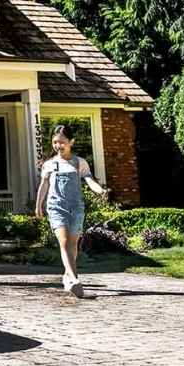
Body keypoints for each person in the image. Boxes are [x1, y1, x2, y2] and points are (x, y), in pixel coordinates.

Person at [35, 125, 108, 297]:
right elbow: (44, 185)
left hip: (76, 207)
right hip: (56, 207)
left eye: (62, 142)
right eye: (55, 142)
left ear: (71, 142)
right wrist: (38, 205)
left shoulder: (79, 163)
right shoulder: (50, 164)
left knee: (73, 244)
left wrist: (100, 190)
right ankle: (75, 280)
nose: (58, 146)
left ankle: (67, 276)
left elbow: (89, 180)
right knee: (65, 242)